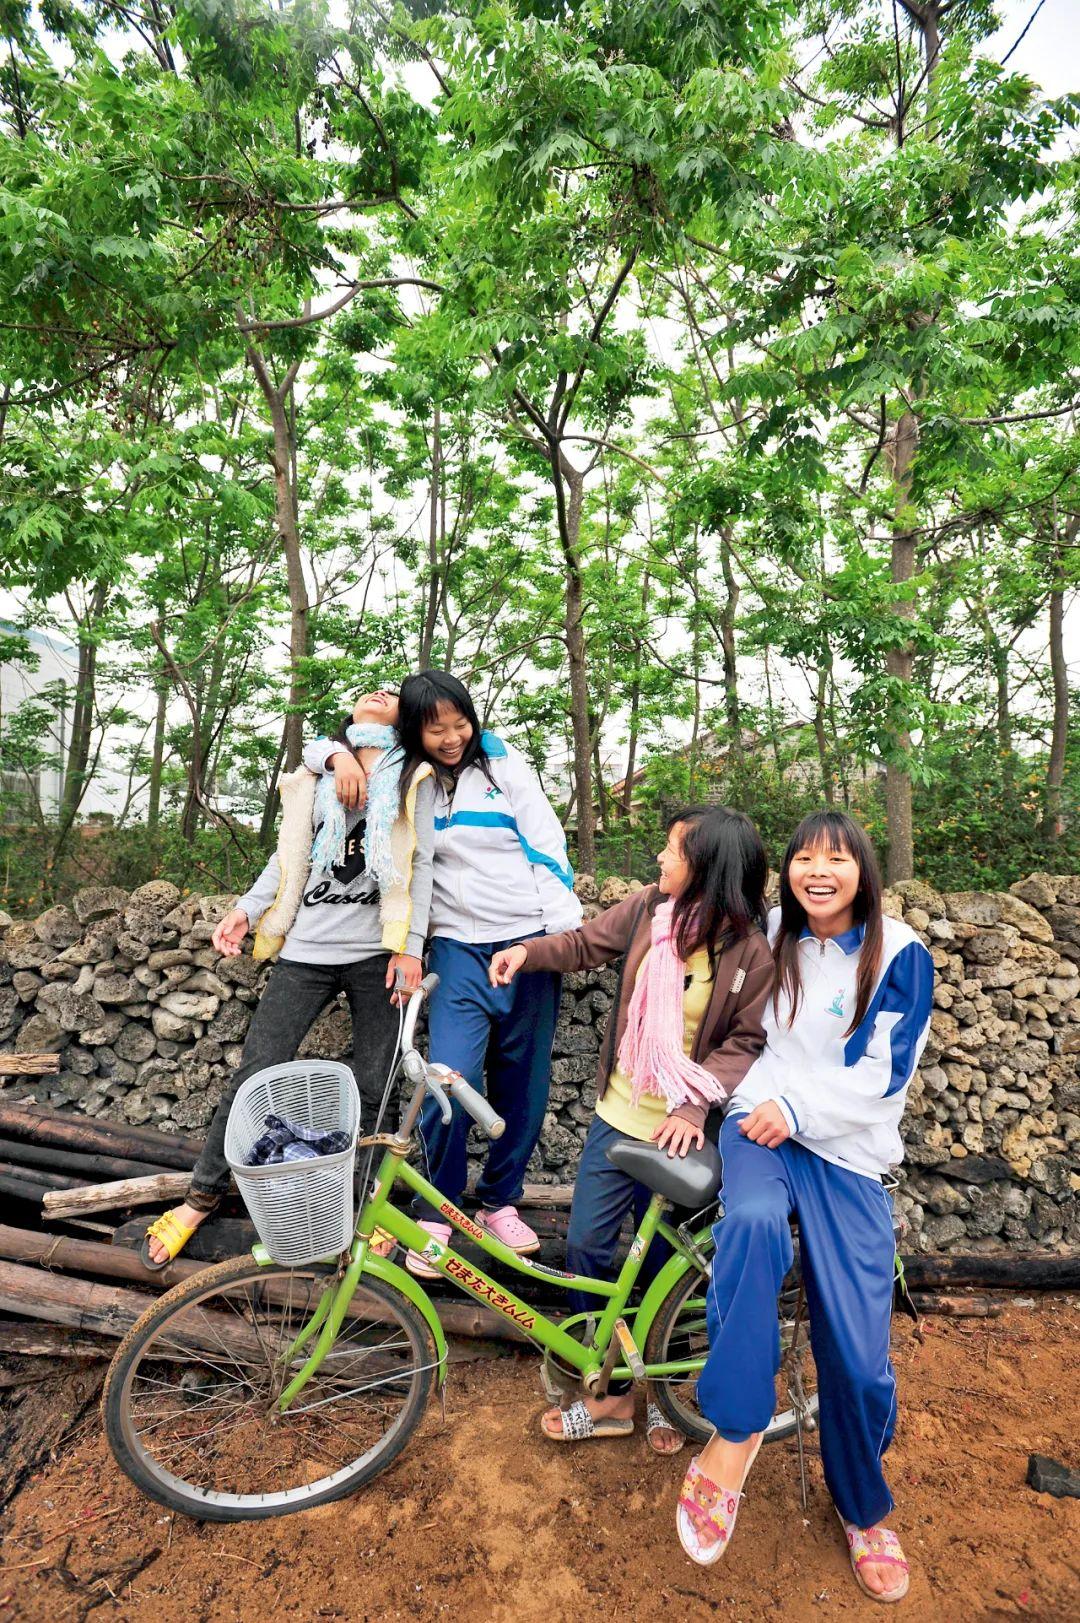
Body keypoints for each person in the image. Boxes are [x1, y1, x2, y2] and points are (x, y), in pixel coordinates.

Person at [676, 810, 933, 1605]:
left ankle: (863, 1504)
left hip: (846, 1149)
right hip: (759, 1126)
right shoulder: (772, 930)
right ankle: (737, 1429)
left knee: (856, 1356)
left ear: (863, 868)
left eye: (837, 858)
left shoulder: (901, 953)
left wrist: (799, 1107)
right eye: (803, 858)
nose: (818, 870)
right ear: (785, 869)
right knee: (750, 1226)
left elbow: (884, 1077)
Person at [490, 806, 774, 1454]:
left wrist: (692, 1105)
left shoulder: (749, 951)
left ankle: (662, 1401)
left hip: (682, 1131)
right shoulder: (652, 909)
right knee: (590, 1251)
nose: (659, 861)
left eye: (671, 850)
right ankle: (612, 1394)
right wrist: (525, 954)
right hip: (617, 1118)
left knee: (664, 1271)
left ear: (705, 866)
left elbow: (745, 1040)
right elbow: (585, 943)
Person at [142, 688, 435, 1268]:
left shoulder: (415, 776)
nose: (379, 692)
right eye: (365, 690)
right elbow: (288, 857)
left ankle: (363, 1207)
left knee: (376, 1086)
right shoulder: (314, 770)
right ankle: (201, 1196)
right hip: (307, 949)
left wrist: (413, 949)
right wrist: (247, 910)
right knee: (257, 1070)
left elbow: (420, 864)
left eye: (391, 693)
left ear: (404, 716)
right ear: (349, 715)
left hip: (379, 952)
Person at [317, 670, 582, 1270]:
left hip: (527, 945)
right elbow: (320, 757)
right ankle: (437, 1212)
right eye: (436, 729)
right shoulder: (407, 781)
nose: (452, 737)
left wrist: (561, 934)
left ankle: (500, 1203)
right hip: (458, 948)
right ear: (415, 731)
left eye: (461, 723)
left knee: (523, 1083)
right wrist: (338, 753)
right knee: (447, 1079)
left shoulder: (506, 770)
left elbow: (547, 846)